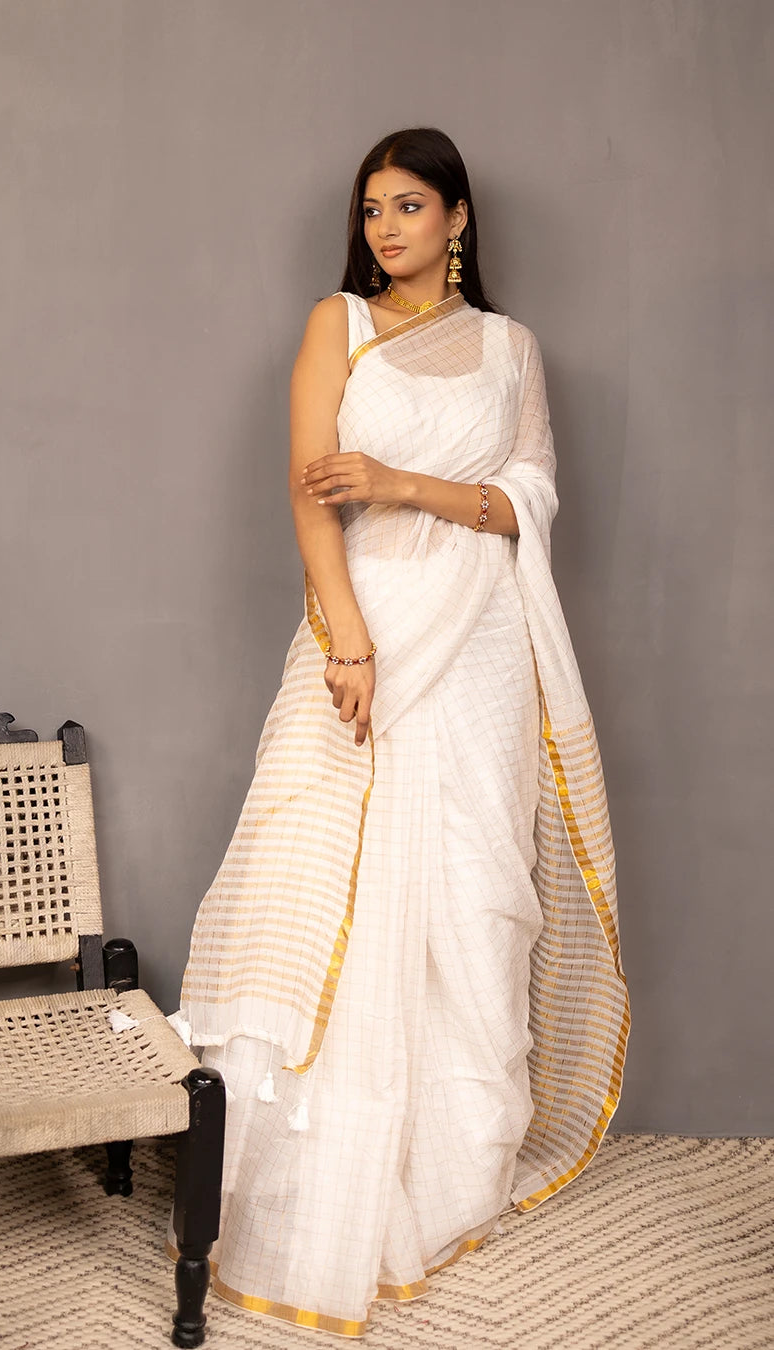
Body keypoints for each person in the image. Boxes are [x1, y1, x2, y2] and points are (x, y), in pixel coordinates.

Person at [166, 127, 631, 1337]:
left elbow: (529, 492)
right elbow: (310, 497)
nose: (386, 227)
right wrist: (349, 643)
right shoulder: (341, 325)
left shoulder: (514, 350)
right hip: (365, 632)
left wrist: (406, 484)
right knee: (319, 883)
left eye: (411, 205)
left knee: (475, 890)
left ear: (459, 218)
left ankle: (450, 1174)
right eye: (372, 207)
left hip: (479, 651)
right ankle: (302, 1186)